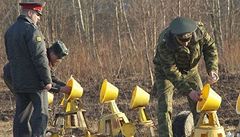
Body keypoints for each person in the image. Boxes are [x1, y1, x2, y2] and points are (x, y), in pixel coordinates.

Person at [152, 17, 219, 137]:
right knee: (165, 107)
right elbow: (171, 71)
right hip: (165, 73)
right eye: (182, 40)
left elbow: (210, 48)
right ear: (175, 36)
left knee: (201, 102)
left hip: (191, 71)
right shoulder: (165, 42)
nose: (186, 43)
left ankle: (202, 133)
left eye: (188, 39)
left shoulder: (200, 31)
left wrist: (212, 69)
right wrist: (189, 91)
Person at [3, 40, 71, 136]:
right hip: (13, 75)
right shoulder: (41, 58)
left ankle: (29, 132)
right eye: (59, 57)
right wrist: (60, 89)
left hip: (20, 75)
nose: (59, 60)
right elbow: (42, 82)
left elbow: (50, 77)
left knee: (31, 104)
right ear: (52, 52)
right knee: (30, 104)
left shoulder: (46, 58)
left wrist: (65, 85)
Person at [4, 2, 52, 137]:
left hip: (18, 81)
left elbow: (11, 57)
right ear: (30, 13)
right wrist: (47, 80)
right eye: (37, 14)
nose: (38, 18)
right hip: (35, 83)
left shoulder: (10, 31)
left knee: (21, 116)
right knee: (40, 116)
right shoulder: (32, 31)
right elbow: (40, 58)